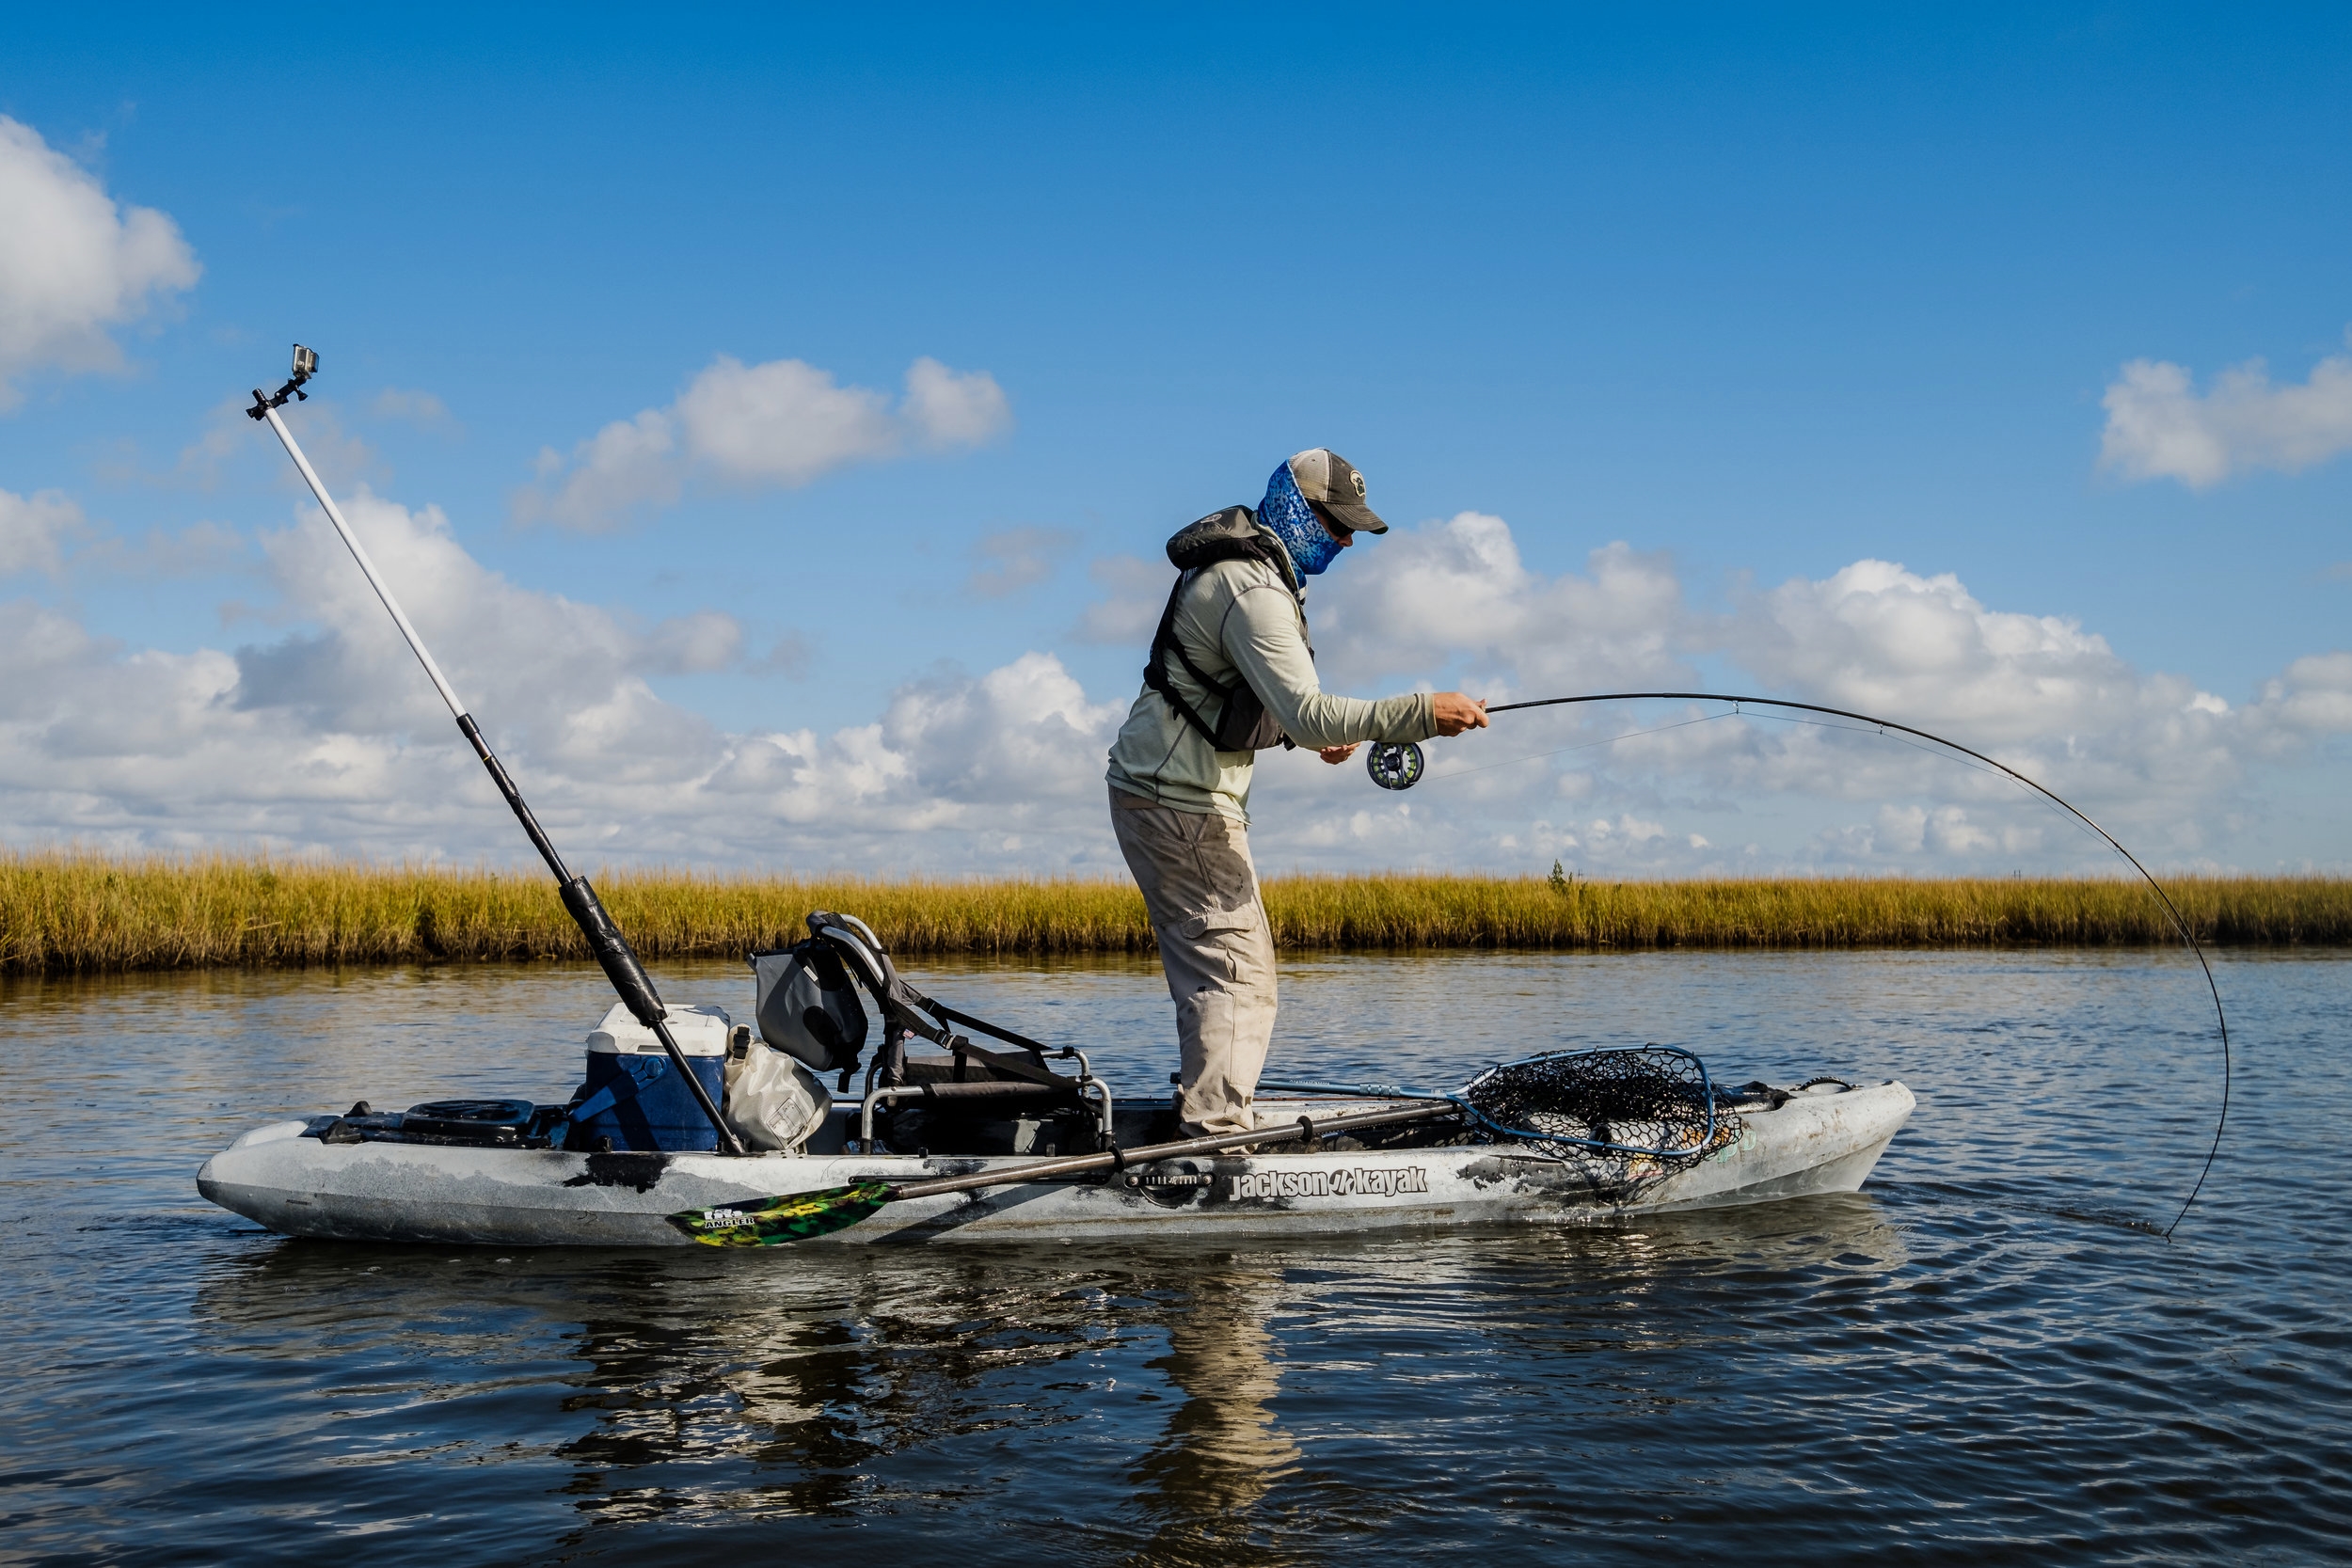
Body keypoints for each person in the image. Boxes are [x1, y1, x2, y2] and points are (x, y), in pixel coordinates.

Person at [1105, 448, 1488, 1137]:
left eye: (1351, 530)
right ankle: (1214, 1146)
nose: (1343, 541)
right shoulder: (1253, 590)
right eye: (1334, 522)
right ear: (1291, 502)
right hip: (1178, 803)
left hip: (1168, 795)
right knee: (1238, 977)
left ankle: (1207, 1116)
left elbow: (1245, 699)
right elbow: (1310, 711)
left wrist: (1300, 735)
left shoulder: (1252, 576)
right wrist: (1425, 711)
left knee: (1221, 971)